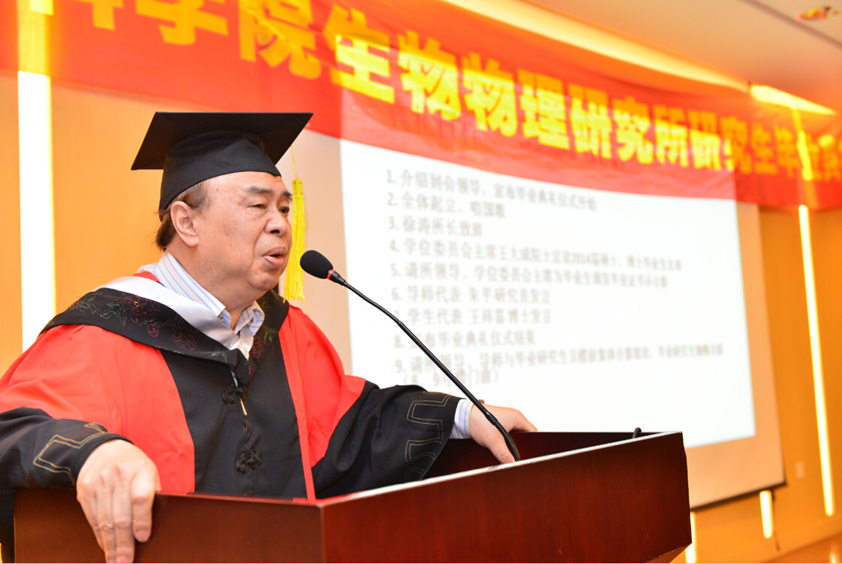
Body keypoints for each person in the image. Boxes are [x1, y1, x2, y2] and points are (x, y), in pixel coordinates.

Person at [0, 112, 536, 563]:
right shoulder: (104, 332)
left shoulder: (283, 330)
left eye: (284, 207)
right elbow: (16, 427)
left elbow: (349, 430)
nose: (280, 224)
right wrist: (93, 452)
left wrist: (462, 417)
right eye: (258, 206)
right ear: (186, 222)